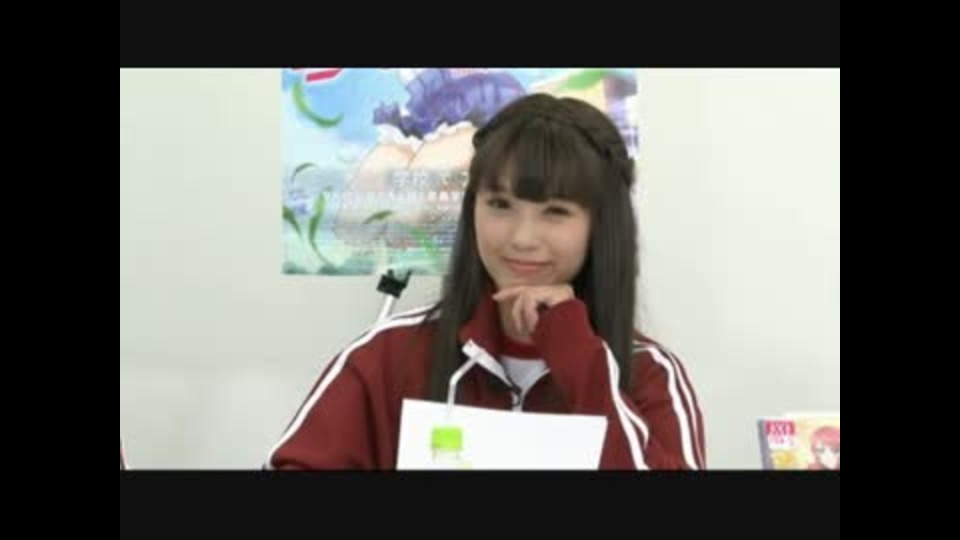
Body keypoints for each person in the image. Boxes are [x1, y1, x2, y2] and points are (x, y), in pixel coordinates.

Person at [266, 93, 706, 470]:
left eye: (555, 212)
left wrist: (581, 360)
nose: (522, 238)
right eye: (499, 204)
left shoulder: (649, 373)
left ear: (600, 225)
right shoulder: (387, 356)